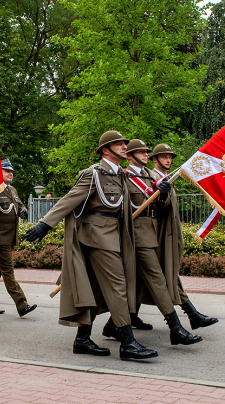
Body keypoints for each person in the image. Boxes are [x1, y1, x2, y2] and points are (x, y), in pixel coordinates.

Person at [25, 130, 158, 361]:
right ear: (106, 150)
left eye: (124, 144)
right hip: (97, 236)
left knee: (96, 289)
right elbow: (70, 198)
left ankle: (82, 339)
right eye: (118, 144)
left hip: (115, 235)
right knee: (119, 286)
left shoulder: (120, 175)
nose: (124, 147)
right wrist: (45, 224)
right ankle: (127, 343)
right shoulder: (93, 174)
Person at [102, 139, 201, 346]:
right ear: (129, 156)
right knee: (157, 279)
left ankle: (113, 324)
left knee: (137, 281)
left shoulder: (149, 176)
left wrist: (163, 195)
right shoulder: (125, 176)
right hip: (136, 235)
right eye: (140, 152)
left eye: (147, 152)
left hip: (154, 233)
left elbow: (162, 207)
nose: (146, 155)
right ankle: (175, 328)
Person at [148, 143, 219, 330]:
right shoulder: (152, 178)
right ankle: (191, 316)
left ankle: (116, 324)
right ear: (154, 159)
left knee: (159, 277)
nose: (168, 160)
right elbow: (157, 207)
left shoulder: (166, 178)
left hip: (170, 235)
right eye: (163, 157)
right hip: (159, 237)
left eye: (170, 157)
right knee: (166, 277)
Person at [0, 160, 36, 317]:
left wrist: (23, 211)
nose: (10, 173)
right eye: (6, 171)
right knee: (8, 271)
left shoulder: (11, 190)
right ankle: (22, 304)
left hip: (8, 237)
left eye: (11, 171)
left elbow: (20, 205)